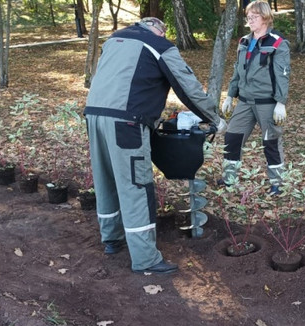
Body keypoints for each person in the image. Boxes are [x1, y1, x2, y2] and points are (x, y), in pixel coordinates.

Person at [84, 17, 226, 274]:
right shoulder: (158, 44)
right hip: (126, 123)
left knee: (106, 178)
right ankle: (146, 259)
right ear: (158, 30)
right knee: (136, 186)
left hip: (94, 114)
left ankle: (112, 239)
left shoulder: (114, 41)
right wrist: (214, 118)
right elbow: (187, 87)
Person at [220, 0, 291, 195]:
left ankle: (277, 184)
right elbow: (237, 71)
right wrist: (229, 96)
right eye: (248, 16)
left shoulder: (277, 43)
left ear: (266, 17)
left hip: (267, 104)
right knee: (232, 137)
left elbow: (282, 75)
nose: (249, 20)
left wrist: (280, 103)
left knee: (271, 142)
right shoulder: (243, 41)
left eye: (254, 16)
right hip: (244, 101)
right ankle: (229, 178)